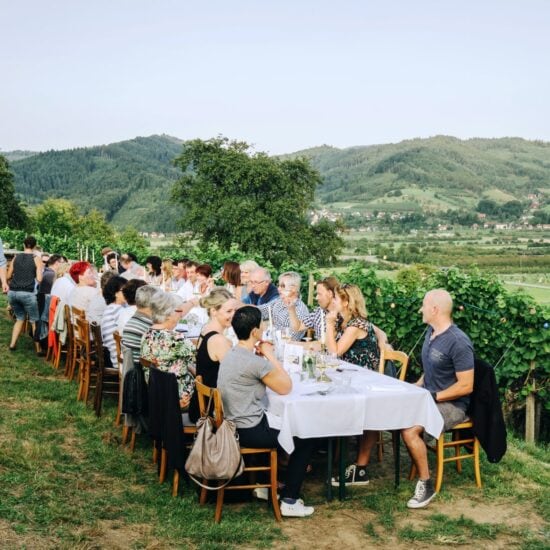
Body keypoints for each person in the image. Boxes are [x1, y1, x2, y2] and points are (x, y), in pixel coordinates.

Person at [218, 306, 315, 517]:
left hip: (232, 423)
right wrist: (270, 355)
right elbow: (286, 386)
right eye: (262, 325)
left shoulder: (233, 352)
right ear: (255, 331)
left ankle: (265, 483)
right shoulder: (253, 362)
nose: (264, 328)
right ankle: (290, 499)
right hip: (249, 429)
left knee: (284, 421)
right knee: (305, 435)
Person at [401, 289, 474, 509]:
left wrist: (432, 396)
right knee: (395, 413)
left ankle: (426, 483)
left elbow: (466, 385)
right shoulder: (431, 333)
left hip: (453, 405)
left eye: (424, 305)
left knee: (410, 429)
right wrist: (417, 386)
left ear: (435, 309)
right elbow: (432, 368)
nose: (420, 309)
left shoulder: (458, 341)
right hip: (430, 397)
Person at [326, 284, 388, 487]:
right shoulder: (348, 323)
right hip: (349, 378)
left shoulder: (355, 326)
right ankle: (325, 453)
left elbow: (334, 352)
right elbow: (381, 333)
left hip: (363, 383)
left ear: (346, 302)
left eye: (335, 298)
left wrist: (328, 323)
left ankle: (359, 467)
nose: (332, 301)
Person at [188, 288, 239, 423]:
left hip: (201, 403)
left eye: (235, 311)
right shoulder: (219, 340)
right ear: (213, 311)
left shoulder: (206, 330)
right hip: (212, 409)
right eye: (229, 311)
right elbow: (236, 376)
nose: (234, 315)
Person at [141, 292, 196, 415]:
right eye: (178, 311)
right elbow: (202, 358)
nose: (181, 314)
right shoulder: (175, 339)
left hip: (156, 394)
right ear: (168, 315)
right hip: (178, 397)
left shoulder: (147, 334)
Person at [6, 236, 43, 351]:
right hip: (27, 293)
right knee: (34, 320)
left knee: (20, 318)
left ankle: (12, 344)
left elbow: (7, 276)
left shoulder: (16, 257)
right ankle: (38, 348)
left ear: (24, 245)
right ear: (35, 246)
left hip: (13, 293)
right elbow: (40, 278)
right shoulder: (36, 258)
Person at [285, 276, 340, 341]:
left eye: (319, 294)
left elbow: (323, 344)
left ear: (330, 294)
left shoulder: (340, 316)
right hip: (318, 350)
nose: (316, 298)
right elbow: (298, 327)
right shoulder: (319, 311)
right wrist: (291, 309)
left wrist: (293, 344)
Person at [122, 285, 160, 366]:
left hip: (132, 372)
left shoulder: (133, 321)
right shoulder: (148, 327)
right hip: (144, 374)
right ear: (152, 304)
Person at [271, 272, 310, 340]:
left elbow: (292, 336)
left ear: (294, 289)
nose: (278, 289)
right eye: (278, 285)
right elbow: (263, 310)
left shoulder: (301, 309)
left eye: (282, 286)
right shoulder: (278, 302)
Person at [100, 275, 127, 368]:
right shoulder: (118, 310)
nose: (128, 293)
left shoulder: (111, 308)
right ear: (116, 293)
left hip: (109, 354)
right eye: (124, 291)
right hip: (116, 359)